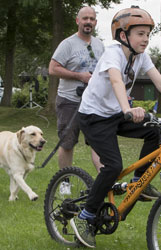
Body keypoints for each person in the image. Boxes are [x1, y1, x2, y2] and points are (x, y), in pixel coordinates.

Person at [72, 6, 161, 248]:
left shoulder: (140, 56)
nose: (145, 39)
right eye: (140, 34)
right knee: (113, 166)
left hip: (116, 113)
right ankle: (86, 216)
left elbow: (160, 82)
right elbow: (117, 80)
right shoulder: (113, 53)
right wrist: (128, 109)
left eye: (148, 34)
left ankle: (139, 183)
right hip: (94, 116)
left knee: (156, 130)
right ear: (123, 35)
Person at [49, 6, 104, 173]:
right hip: (69, 102)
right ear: (77, 21)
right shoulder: (68, 44)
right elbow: (53, 69)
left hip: (93, 103)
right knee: (67, 143)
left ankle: (105, 180)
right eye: (85, 18)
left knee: (98, 142)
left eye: (92, 19)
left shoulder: (100, 45)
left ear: (95, 22)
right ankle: (64, 181)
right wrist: (79, 76)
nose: (88, 22)